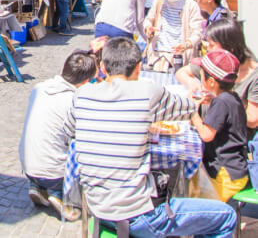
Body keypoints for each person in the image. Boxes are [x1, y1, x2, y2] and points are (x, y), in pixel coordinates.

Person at [64, 37, 237, 237]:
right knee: (226, 217)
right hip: (140, 216)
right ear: (138, 68)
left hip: (96, 207)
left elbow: (70, 131)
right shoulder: (147, 92)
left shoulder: (82, 95)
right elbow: (186, 108)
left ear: (102, 66)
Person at [19, 51, 97, 221]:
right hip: (54, 175)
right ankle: (61, 194)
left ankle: (36, 186)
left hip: (28, 167)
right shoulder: (74, 100)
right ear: (85, 81)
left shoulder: (39, 88)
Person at [175, 19, 258, 131]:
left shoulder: (253, 76)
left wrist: (220, 102)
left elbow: (253, 120)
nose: (208, 49)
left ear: (229, 47)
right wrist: (192, 83)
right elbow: (181, 72)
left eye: (212, 45)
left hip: (230, 141)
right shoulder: (217, 62)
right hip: (204, 128)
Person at [189, 49, 248, 202]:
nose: (199, 77)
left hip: (225, 174)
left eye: (201, 74)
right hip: (236, 170)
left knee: (195, 197)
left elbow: (207, 135)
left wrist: (192, 111)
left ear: (211, 82)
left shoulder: (221, 102)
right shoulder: (231, 97)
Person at [143, 0, 203, 71]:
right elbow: (149, 19)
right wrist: (148, 27)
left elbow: (197, 31)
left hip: (181, 57)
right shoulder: (158, 1)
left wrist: (187, 44)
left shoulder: (190, 5)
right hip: (158, 55)